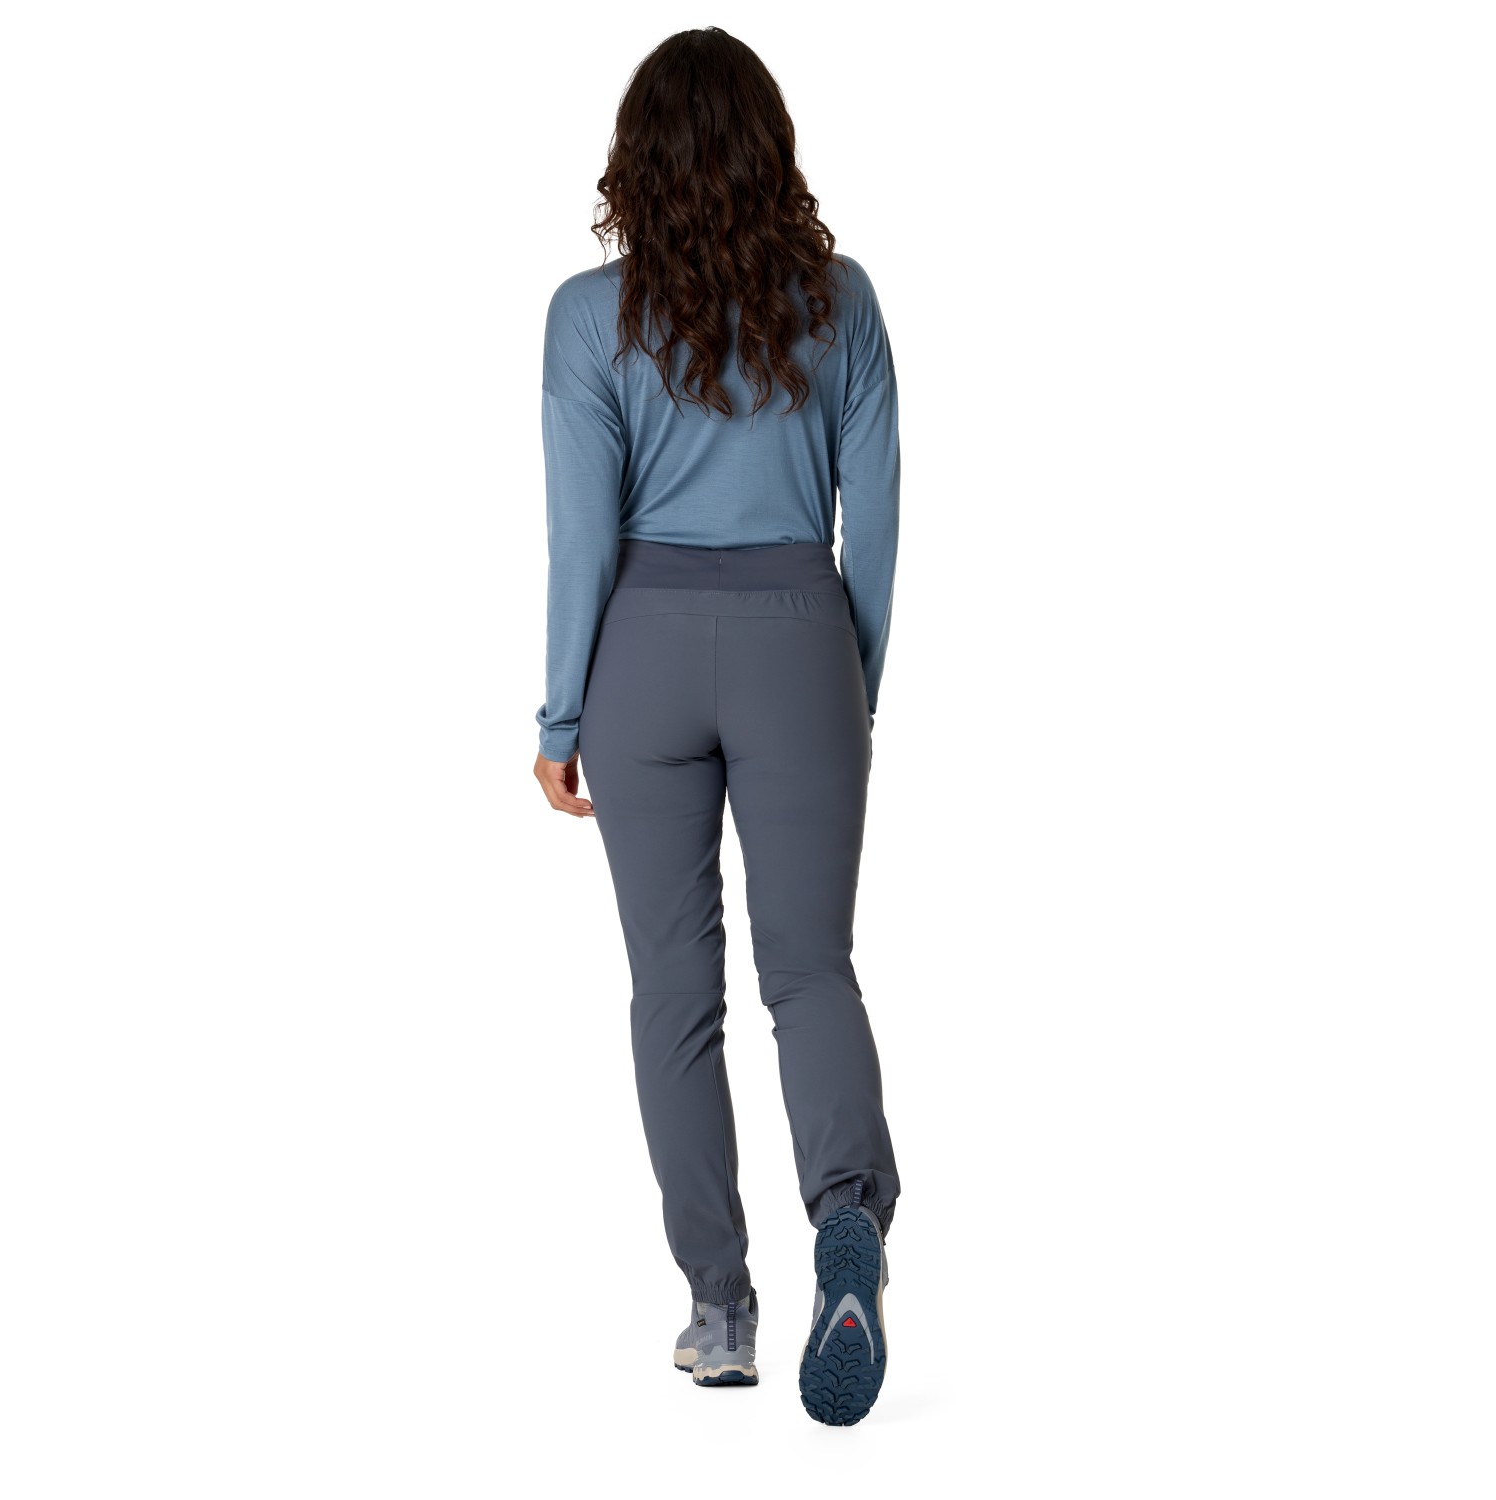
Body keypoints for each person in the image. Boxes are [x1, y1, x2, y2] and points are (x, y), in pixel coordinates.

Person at [531, 27, 902, 1427]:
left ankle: (720, 1309)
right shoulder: (844, 302)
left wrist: (562, 712)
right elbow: (877, 525)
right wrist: (852, 686)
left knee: (672, 995)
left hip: (642, 650)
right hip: (802, 638)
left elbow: (580, 537)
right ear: (771, 148)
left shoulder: (588, 316)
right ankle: (846, 1220)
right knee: (810, 972)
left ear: (635, 160)